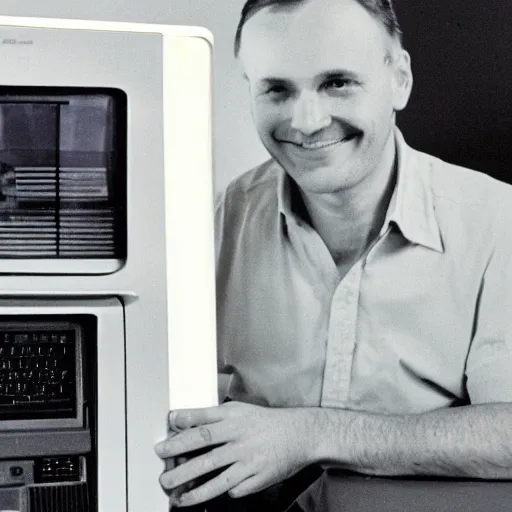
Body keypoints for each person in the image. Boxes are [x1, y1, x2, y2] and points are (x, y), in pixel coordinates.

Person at [155, 0, 512, 509]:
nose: (306, 121)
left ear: (400, 80)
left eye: (338, 82)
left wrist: (309, 434)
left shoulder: (498, 222)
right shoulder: (214, 222)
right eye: (277, 89)